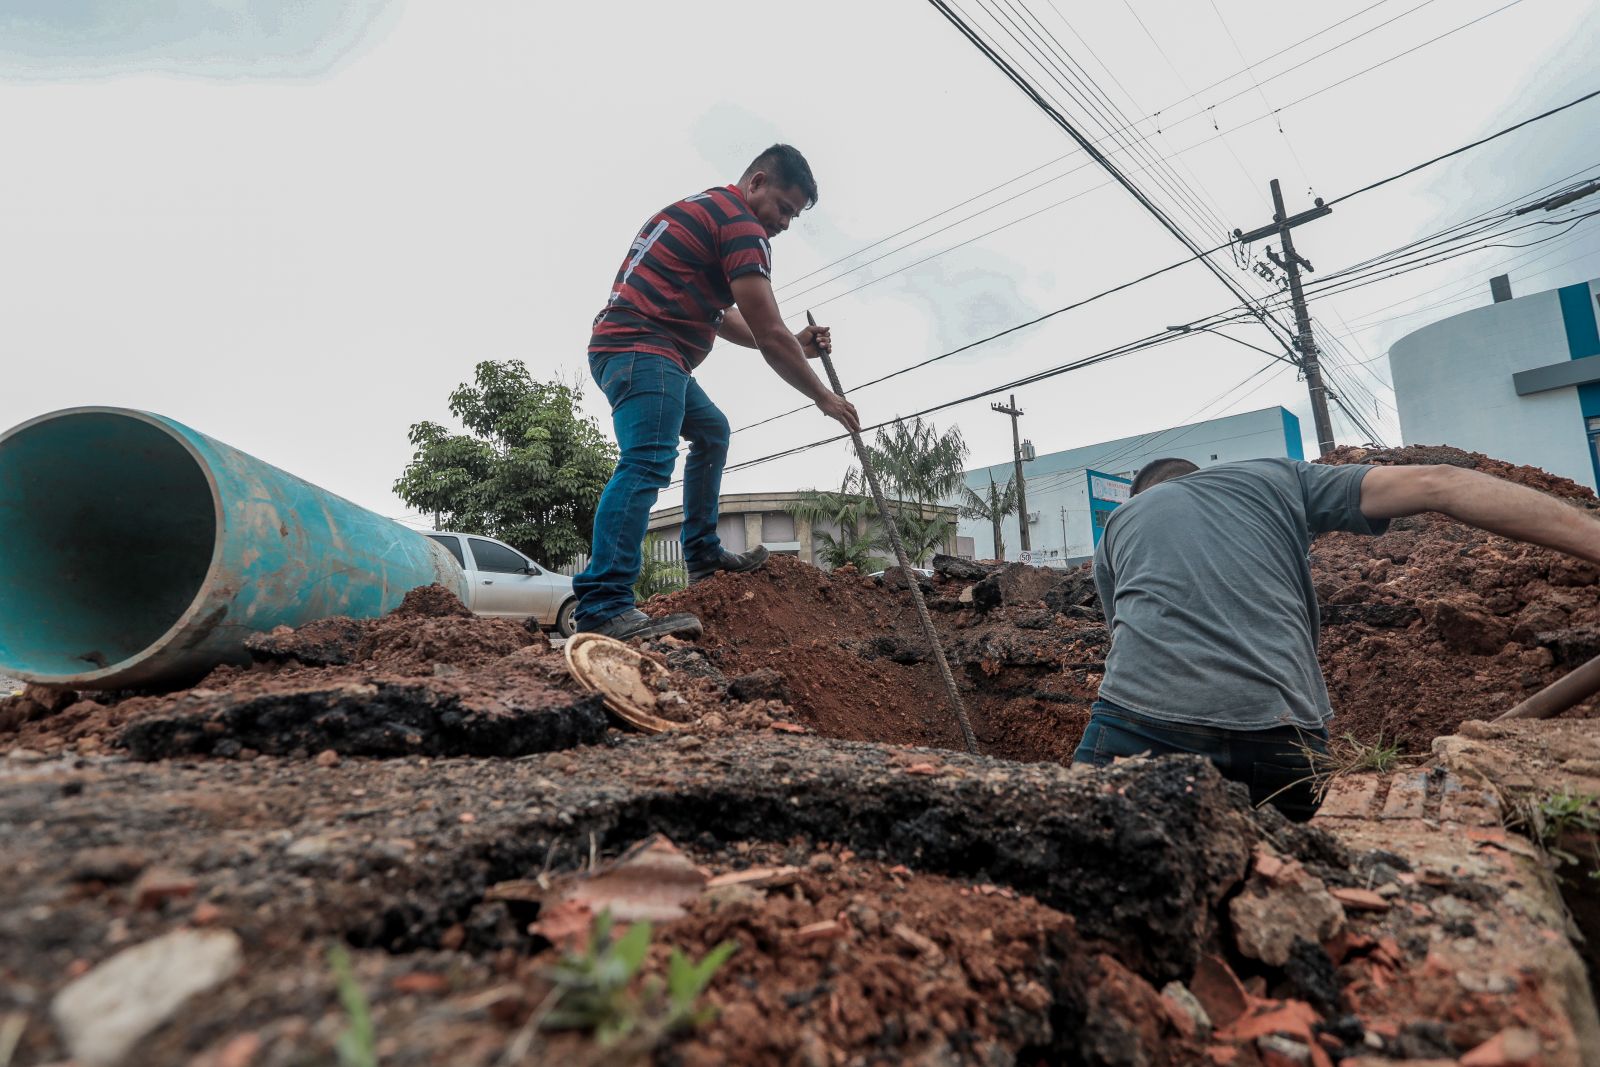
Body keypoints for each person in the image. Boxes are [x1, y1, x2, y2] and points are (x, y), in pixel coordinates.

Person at [1075, 454, 1600, 821]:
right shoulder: (1272, 478)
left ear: (1145, 493)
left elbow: (1120, 635)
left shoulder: (1119, 523)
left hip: (1137, 726)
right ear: (1203, 475)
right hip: (1281, 737)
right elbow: (1441, 483)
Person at [574, 144, 860, 641]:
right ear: (756, 183)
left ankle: (704, 555)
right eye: (784, 209)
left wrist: (793, 343)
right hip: (645, 349)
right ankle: (603, 603)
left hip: (636, 350)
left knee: (711, 431)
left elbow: (727, 317)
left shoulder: (707, 210)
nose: (785, 224)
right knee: (647, 460)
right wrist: (824, 398)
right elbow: (768, 334)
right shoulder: (742, 226)